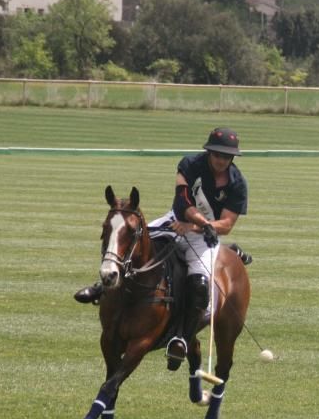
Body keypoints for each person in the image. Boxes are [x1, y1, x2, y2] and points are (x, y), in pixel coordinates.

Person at [74, 127, 249, 364]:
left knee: (199, 283)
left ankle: (184, 339)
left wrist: (199, 228)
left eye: (226, 156)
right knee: (136, 248)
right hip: (174, 219)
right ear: (209, 152)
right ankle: (101, 286)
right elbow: (183, 202)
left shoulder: (237, 184)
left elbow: (227, 223)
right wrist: (195, 222)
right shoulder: (189, 165)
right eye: (217, 154)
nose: (221, 160)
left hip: (205, 236)